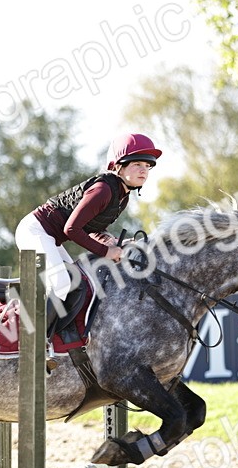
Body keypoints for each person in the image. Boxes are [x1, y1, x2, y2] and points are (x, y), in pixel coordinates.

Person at [14, 132, 161, 331]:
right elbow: (72, 229)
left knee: (78, 283)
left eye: (148, 166)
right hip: (34, 231)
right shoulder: (103, 190)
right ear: (118, 166)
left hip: (50, 238)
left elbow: (95, 228)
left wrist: (115, 242)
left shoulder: (122, 196)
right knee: (62, 283)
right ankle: (34, 342)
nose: (144, 170)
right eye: (137, 164)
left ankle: (55, 337)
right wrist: (106, 252)